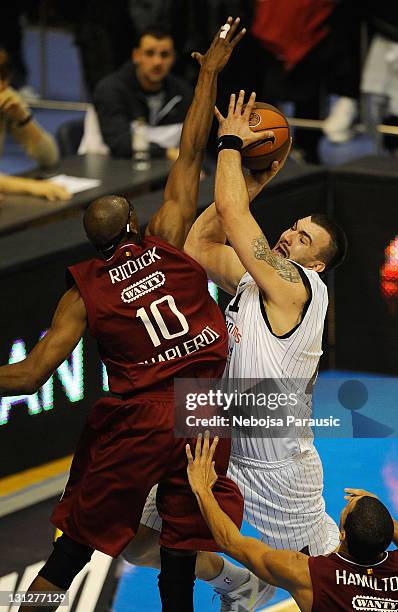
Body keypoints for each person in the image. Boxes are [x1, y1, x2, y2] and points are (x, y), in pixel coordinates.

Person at [0, 18, 258, 612]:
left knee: (71, 553)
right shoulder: (167, 236)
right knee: (178, 549)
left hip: (141, 419)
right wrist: (209, 76)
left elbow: (30, 376)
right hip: (202, 403)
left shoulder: (82, 291)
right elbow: (191, 152)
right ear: (136, 226)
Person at [123, 91, 347, 610]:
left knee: (316, 588)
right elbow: (199, 248)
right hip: (221, 443)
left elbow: (227, 209)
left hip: (278, 473)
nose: (291, 234)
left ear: (315, 266)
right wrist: (255, 176)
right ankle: (236, 585)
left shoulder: (300, 289)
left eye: (305, 239)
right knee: (137, 542)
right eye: (294, 226)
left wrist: (230, 145)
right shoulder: (255, 279)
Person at [186, 432, 398, 611]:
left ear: (342, 534)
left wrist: (202, 489)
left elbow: (231, 541)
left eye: (347, 509)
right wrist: (381, 516)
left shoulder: (311, 575)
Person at [94, 25, 193, 162]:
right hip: (112, 170)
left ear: (173, 58)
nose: (157, 62)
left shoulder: (183, 93)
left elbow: (195, 143)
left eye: (164, 55)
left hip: (164, 173)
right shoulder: (110, 89)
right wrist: (166, 152)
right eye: (149, 53)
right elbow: (119, 142)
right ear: (136, 56)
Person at [0, 49, 69, 202]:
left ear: (4, 83)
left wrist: (23, 119)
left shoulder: (8, 101)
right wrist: (33, 187)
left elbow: (49, 157)